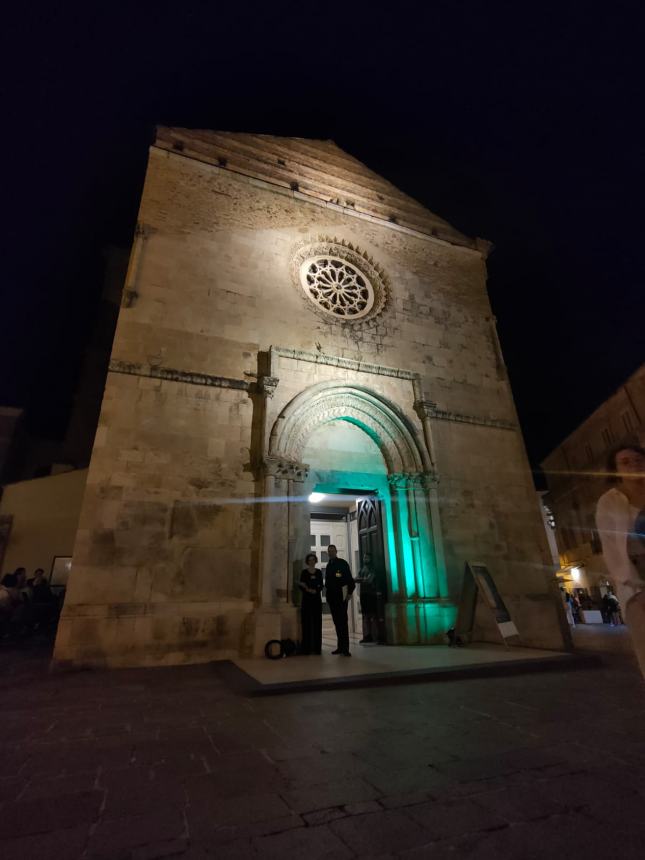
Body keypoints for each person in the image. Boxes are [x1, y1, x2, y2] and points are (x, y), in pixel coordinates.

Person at [596, 444, 645, 677]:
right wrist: (636, 588)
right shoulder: (609, 502)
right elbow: (612, 550)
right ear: (615, 470)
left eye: (638, 460)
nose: (634, 464)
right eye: (625, 462)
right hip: (636, 581)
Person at [324, 544, 355, 656]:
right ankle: (340, 647)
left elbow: (350, 581)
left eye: (332, 551)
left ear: (336, 551)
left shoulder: (342, 563)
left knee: (343, 623)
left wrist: (349, 594)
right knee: (337, 623)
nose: (331, 552)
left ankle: (345, 648)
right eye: (329, 551)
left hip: (341, 598)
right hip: (332, 599)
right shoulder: (329, 565)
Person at [298, 553, 323, 655]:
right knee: (306, 623)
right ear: (307, 561)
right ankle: (306, 648)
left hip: (316, 600)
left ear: (315, 561)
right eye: (310, 560)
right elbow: (301, 585)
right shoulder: (304, 572)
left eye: (313, 559)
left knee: (317, 623)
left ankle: (317, 648)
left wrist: (315, 590)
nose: (311, 561)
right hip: (307, 600)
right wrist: (307, 590)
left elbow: (321, 585)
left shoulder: (319, 572)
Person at [355, 552, 378, 643]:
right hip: (363, 594)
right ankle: (367, 636)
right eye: (364, 558)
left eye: (367, 558)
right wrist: (361, 579)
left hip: (371, 594)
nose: (365, 559)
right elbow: (356, 579)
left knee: (373, 615)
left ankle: (375, 635)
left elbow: (369, 580)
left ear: (370, 559)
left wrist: (360, 580)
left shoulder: (373, 569)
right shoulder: (362, 569)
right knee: (365, 615)